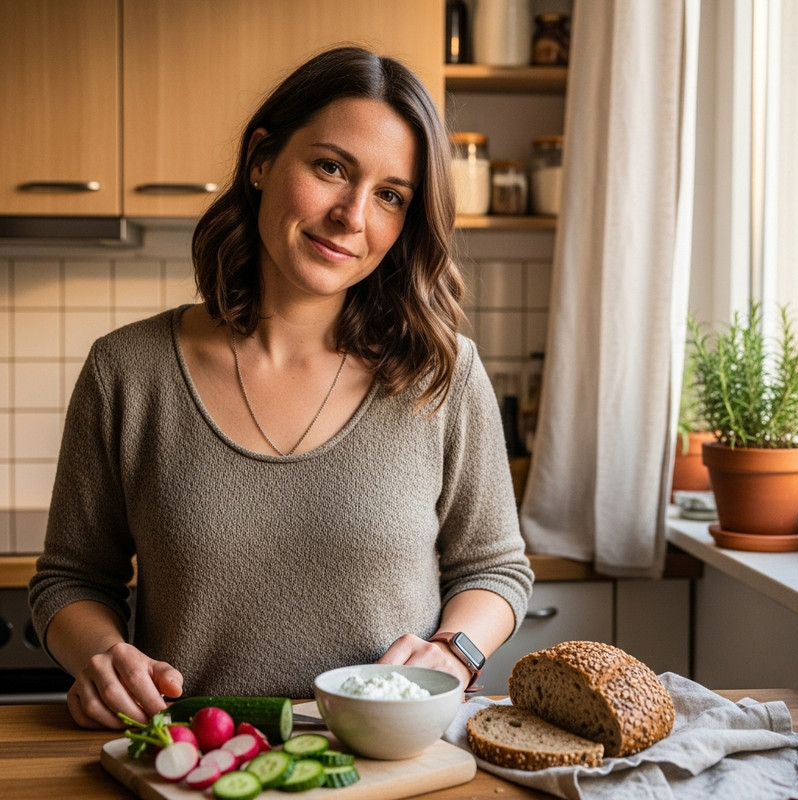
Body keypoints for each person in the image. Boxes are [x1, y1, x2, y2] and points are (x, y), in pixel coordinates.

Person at [29, 45, 534, 730]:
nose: (352, 215)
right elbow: (70, 580)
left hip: (384, 764)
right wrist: (105, 656)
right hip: (194, 761)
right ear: (262, 160)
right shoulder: (127, 371)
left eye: (390, 196)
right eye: (331, 168)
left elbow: (496, 569)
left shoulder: (441, 375)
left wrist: (455, 649)